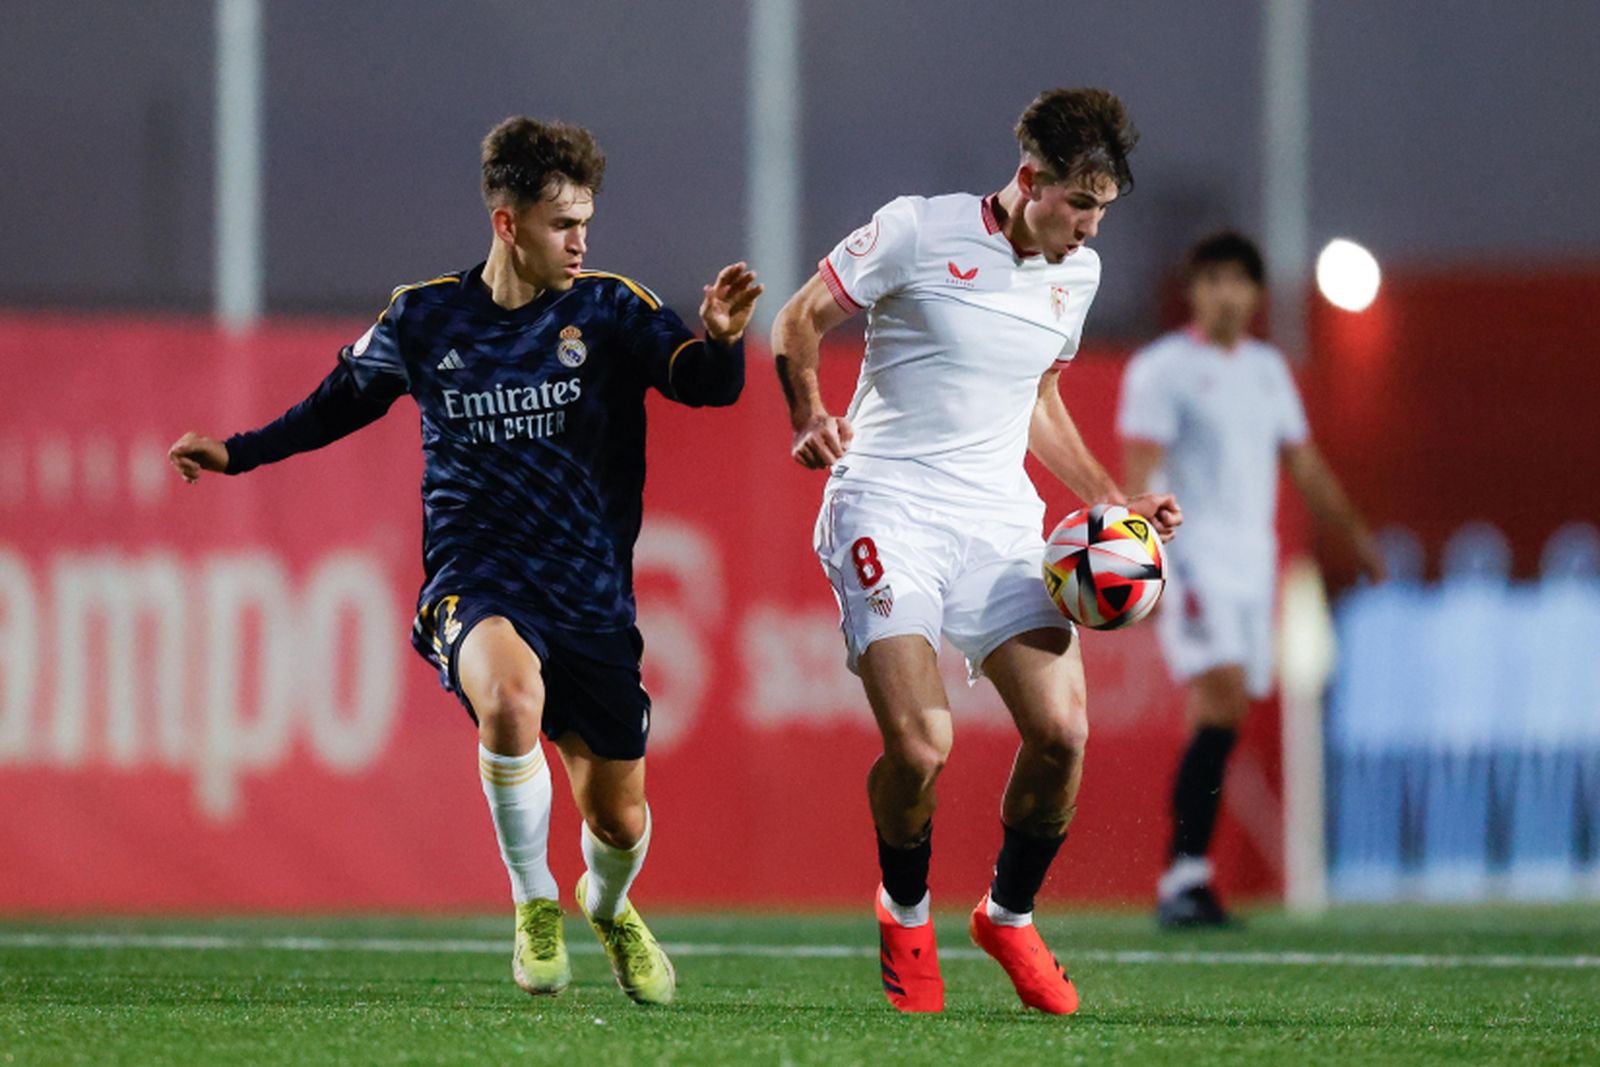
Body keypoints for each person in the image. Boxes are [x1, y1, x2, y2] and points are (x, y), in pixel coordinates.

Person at [168, 116, 761, 1004]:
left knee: (620, 817)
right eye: (563, 224)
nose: (580, 241)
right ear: (507, 222)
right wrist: (238, 452)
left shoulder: (608, 308)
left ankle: (610, 906)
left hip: (591, 598)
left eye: (586, 222)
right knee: (511, 700)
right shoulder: (424, 315)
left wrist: (720, 341)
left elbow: (701, 385)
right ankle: (534, 905)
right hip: (477, 580)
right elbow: (336, 404)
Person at [769, 88, 1180, 1015]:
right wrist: (809, 415)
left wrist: (1115, 504)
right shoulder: (916, 230)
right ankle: (904, 909)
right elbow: (797, 321)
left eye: (1103, 210)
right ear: (1029, 179)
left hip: (999, 521)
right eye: (1078, 204)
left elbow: (1035, 399)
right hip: (885, 506)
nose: (1088, 227)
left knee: (1064, 733)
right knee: (921, 745)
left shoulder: (1080, 276)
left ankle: (1007, 912)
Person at [1117, 230, 1384, 928]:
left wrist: (1351, 531)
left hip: (1254, 562)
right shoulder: (1162, 368)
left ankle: (1187, 875)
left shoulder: (1268, 370)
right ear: (1194, 290)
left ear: (1257, 293)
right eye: (1212, 280)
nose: (1226, 293)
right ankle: (1184, 875)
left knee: (1224, 712)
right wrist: (1135, 562)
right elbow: (1139, 469)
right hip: (1195, 555)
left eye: (1239, 280)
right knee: (1222, 695)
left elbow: (1303, 462)